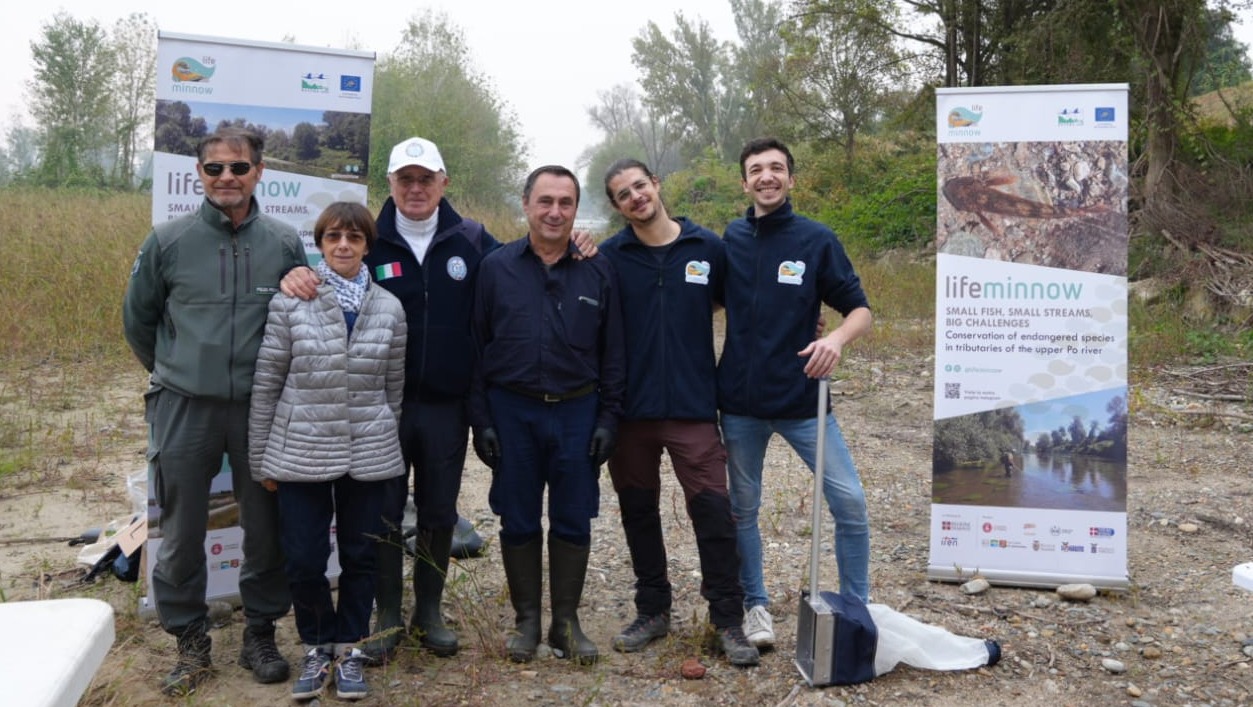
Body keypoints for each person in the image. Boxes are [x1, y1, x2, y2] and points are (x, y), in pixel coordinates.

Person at [282, 137, 596, 661]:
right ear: (390, 184)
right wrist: (296, 273)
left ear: (443, 182)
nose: (416, 188)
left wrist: (579, 243)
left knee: (438, 510)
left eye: (425, 178)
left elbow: (527, 261)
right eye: (405, 178)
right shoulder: (370, 239)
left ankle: (429, 611)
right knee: (382, 512)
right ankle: (387, 613)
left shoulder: (472, 239)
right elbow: (327, 275)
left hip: (447, 406)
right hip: (380, 406)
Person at [122, 127, 303, 695]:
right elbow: (139, 321)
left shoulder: (283, 243)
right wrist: (179, 371)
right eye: (215, 168)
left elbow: (299, 323)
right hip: (183, 408)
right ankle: (190, 642)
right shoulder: (167, 241)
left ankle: (259, 634)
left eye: (239, 167)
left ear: (259, 172)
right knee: (180, 531)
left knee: (265, 527)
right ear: (198, 174)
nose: (227, 177)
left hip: (258, 409)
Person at [597, 159, 758, 666]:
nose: (636, 197)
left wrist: (807, 320)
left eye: (639, 186)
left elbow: (743, 303)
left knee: (713, 513)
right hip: (631, 413)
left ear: (656, 184)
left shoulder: (707, 247)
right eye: (623, 194)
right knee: (638, 512)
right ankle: (653, 611)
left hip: (692, 407)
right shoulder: (610, 257)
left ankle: (728, 621)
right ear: (617, 206)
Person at [718, 137, 875, 649]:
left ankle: (856, 610)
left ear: (790, 178)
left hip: (804, 402)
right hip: (739, 406)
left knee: (850, 502)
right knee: (743, 509)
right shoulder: (730, 239)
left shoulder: (816, 240)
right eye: (756, 170)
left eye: (776, 168)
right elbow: (703, 296)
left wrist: (835, 339)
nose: (766, 176)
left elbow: (860, 310)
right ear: (744, 182)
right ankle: (755, 604)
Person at [250, 202, 407, 701]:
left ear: (367, 246)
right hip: (301, 450)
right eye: (333, 236)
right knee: (304, 559)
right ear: (319, 244)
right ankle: (317, 647)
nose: (343, 245)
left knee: (361, 556)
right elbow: (268, 382)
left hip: (368, 453)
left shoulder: (389, 308)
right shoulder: (291, 302)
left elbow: (393, 389)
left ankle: (351, 648)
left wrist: (383, 436)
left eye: (354, 237)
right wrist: (261, 457)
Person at [469, 165, 625, 666]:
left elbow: (614, 352)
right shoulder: (495, 267)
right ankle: (527, 622)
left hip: (578, 411)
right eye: (545, 201)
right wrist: (481, 420)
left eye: (565, 202)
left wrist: (609, 418)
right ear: (526, 204)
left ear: (576, 209)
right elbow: (475, 348)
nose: (555, 212)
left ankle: (565, 622)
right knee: (517, 515)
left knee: (573, 515)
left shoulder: (599, 269)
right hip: (512, 411)